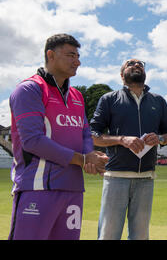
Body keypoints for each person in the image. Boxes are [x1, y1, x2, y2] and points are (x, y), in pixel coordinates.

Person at [8, 33, 108, 240]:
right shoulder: (29, 89)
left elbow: (84, 132)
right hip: (37, 187)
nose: (77, 62)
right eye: (71, 55)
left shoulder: (77, 96)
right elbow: (33, 141)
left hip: (73, 187)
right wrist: (81, 159)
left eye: (78, 56)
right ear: (50, 55)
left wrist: (90, 157)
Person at [90, 58, 167, 240]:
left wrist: (159, 138)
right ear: (122, 75)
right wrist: (121, 140)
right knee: (108, 235)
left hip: (146, 178)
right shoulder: (108, 99)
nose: (136, 65)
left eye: (140, 64)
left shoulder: (158, 101)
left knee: (140, 237)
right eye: (130, 64)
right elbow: (93, 135)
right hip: (116, 178)